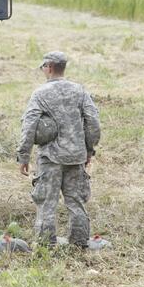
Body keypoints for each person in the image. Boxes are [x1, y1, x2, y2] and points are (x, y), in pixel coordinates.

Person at [17, 51, 101, 247]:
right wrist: (89, 150)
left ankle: (45, 245)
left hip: (50, 158)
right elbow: (94, 122)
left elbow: (29, 126)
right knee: (76, 203)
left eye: (43, 67)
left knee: (46, 203)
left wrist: (23, 156)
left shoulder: (40, 94)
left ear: (50, 67)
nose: (43, 70)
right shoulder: (80, 91)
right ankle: (79, 244)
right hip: (76, 157)